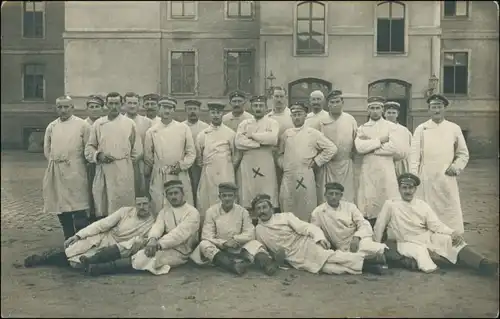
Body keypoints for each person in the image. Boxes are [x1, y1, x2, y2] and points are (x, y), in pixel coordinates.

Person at [373, 173, 498, 276]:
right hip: (406, 242)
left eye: (410, 188)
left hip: (426, 237)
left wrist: (452, 233)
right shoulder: (391, 204)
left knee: (450, 241)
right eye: (404, 188)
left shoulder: (422, 205)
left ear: (415, 189)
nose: (408, 191)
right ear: (399, 189)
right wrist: (376, 248)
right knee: (422, 259)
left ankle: (483, 263)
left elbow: (436, 225)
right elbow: (379, 226)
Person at [23, 197, 155, 276]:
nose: (142, 207)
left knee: (78, 262)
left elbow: (143, 241)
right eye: (139, 204)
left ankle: (86, 262)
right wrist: (78, 235)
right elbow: (102, 224)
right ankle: (43, 259)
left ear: (150, 204)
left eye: (145, 204)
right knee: (74, 249)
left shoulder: (152, 222)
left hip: (119, 247)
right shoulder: (125, 211)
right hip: (104, 237)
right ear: (135, 204)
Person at [253, 194, 366, 275]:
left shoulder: (285, 217)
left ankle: (368, 262)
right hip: (294, 258)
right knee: (328, 269)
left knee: (332, 257)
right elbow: (263, 250)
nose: (262, 211)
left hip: (306, 245)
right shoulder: (258, 230)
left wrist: (319, 238)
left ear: (271, 209)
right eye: (258, 209)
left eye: (264, 207)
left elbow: (306, 227)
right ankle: (367, 267)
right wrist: (275, 258)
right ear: (255, 212)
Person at [191, 183, 284, 276]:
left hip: (238, 247)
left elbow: (250, 233)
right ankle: (233, 266)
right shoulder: (211, 211)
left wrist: (236, 239)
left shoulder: (242, 211)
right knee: (204, 244)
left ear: (235, 197)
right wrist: (223, 243)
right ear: (220, 197)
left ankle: (268, 264)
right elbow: (206, 235)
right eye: (224, 196)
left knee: (254, 244)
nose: (227, 198)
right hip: (219, 249)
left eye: (230, 195)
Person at [409, 94, 469, 234]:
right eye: (433, 107)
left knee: (449, 208)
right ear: (429, 109)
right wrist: (413, 176)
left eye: (439, 107)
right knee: (425, 209)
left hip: (446, 176)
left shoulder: (454, 128)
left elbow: (463, 153)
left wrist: (456, 167)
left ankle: (451, 236)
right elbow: (414, 156)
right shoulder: (421, 129)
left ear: (444, 108)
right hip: (426, 177)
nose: (437, 110)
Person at [310, 182, 389, 274]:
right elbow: (315, 230)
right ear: (325, 195)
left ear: (341, 196)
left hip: (358, 240)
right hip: (342, 246)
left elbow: (363, 224)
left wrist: (357, 237)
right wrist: (323, 241)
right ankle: (372, 266)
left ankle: (382, 259)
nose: (334, 197)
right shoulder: (318, 212)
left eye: (337, 194)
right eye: (331, 194)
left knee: (370, 248)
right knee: (339, 259)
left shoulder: (350, 207)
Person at [85, 92, 140, 220]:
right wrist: (98, 156)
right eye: (111, 103)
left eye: (116, 103)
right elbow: (90, 146)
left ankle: (123, 233)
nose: (114, 107)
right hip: (104, 169)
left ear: (121, 105)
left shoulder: (129, 123)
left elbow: (137, 149)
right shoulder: (99, 124)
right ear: (106, 105)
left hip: (123, 170)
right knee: (104, 204)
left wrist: (124, 162)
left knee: (123, 205)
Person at [278, 102, 337, 221]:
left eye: (299, 114)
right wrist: (283, 165)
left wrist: (316, 161)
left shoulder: (313, 133)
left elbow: (331, 148)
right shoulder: (287, 134)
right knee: (287, 202)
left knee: (306, 205)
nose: (296, 117)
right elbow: (280, 153)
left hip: (305, 173)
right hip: (289, 174)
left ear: (305, 116)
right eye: (294, 115)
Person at [43, 95, 91, 239]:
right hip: (57, 170)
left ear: (72, 107)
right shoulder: (52, 126)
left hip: (76, 169)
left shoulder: (83, 125)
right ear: (56, 108)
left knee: (78, 205)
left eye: (66, 107)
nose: (63, 110)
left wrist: (77, 163)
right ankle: (68, 236)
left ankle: (81, 238)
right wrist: (55, 161)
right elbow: (47, 149)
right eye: (60, 107)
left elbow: (88, 148)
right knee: (61, 205)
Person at [355, 96, 407, 228]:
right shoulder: (363, 128)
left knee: (386, 198)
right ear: (368, 110)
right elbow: (360, 148)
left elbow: (394, 147)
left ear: (382, 109)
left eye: (378, 108)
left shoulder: (391, 127)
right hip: (368, 169)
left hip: (385, 168)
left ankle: (387, 231)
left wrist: (371, 147)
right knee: (369, 200)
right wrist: (379, 141)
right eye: (372, 108)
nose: (375, 111)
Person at [132, 180, 200, 275]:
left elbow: (179, 234)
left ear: (182, 194)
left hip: (183, 251)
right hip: (165, 246)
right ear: (166, 196)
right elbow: (157, 226)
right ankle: (108, 265)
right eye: (170, 194)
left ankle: (113, 267)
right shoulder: (164, 211)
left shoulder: (192, 212)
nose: (173, 196)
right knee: (142, 255)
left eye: (176, 193)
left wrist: (158, 244)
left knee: (149, 259)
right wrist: (152, 239)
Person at [144, 96, 196, 215]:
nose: (167, 111)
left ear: (174, 110)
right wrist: (157, 168)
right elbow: (148, 156)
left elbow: (191, 152)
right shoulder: (152, 131)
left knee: (182, 204)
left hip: (179, 172)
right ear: (159, 109)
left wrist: (181, 166)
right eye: (164, 108)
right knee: (159, 204)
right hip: (159, 174)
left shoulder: (183, 128)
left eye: (170, 108)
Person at [235, 95, 280, 221]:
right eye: (255, 106)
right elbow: (239, 142)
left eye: (261, 106)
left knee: (267, 192)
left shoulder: (272, 122)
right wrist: (259, 144)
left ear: (266, 107)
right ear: (251, 107)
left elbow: (272, 139)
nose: (258, 108)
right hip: (249, 162)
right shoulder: (244, 123)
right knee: (248, 194)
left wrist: (252, 135)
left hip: (265, 162)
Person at [196, 102, 238, 221]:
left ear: (222, 114)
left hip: (225, 171)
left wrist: (227, 167)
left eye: (218, 113)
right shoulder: (202, 135)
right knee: (207, 200)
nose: (215, 115)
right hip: (208, 172)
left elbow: (235, 154)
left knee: (226, 198)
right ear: (209, 114)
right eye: (213, 112)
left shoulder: (230, 133)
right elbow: (199, 158)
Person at [317, 90, 358, 204]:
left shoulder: (350, 119)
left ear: (342, 102)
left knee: (347, 196)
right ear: (328, 104)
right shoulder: (322, 121)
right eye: (332, 102)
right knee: (325, 196)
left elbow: (356, 140)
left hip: (345, 164)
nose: (335, 104)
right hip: (328, 165)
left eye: (337, 101)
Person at [124, 92, 152, 197]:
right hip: (124, 162)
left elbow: (150, 145)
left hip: (142, 163)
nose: (132, 106)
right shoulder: (120, 121)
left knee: (142, 191)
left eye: (134, 103)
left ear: (139, 104)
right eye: (129, 103)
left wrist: (147, 165)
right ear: (124, 104)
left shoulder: (147, 122)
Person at [183, 99, 210, 208]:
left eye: (195, 109)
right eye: (190, 109)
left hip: (199, 164)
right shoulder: (181, 126)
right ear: (186, 110)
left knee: (198, 187)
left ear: (199, 111)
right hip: (184, 162)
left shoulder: (205, 128)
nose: (192, 112)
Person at [266, 86, 294, 190]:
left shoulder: (292, 115)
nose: (279, 99)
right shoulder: (267, 117)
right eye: (276, 96)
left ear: (285, 97)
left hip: (288, 155)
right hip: (272, 156)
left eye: (281, 96)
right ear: (272, 98)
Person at [84, 95, 106, 221]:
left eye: (97, 107)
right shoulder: (83, 124)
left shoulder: (105, 123)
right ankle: (89, 217)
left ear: (102, 109)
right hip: (86, 165)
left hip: (102, 164)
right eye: (91, 107)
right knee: (87, 193)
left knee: (101, 192)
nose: (94, 109)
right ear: (87, 109)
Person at [383, 101, 412, 177]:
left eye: (393, 113)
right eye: (389, 113)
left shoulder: (404, 130)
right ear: (384, 114)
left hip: (400, 164)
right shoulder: (379, 128)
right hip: (384, 162)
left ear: (397, 114)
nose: (391, 115)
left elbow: (411, 147)